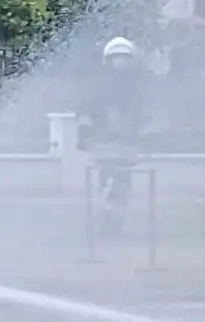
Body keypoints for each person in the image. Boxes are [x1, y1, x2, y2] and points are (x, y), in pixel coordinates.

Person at [76, 36, 147, 238]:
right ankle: (105, 223)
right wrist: (84, 133)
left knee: (122, 186)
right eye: (117, 58)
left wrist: (148, 135)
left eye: (124, 58)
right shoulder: (98, 87)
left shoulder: (136, 89)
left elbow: (143, 115)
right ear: (108, 61)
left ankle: (113, 225)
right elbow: (86, 111)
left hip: (125, 147)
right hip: (104, 146)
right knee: (109, 184)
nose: (121, 63)